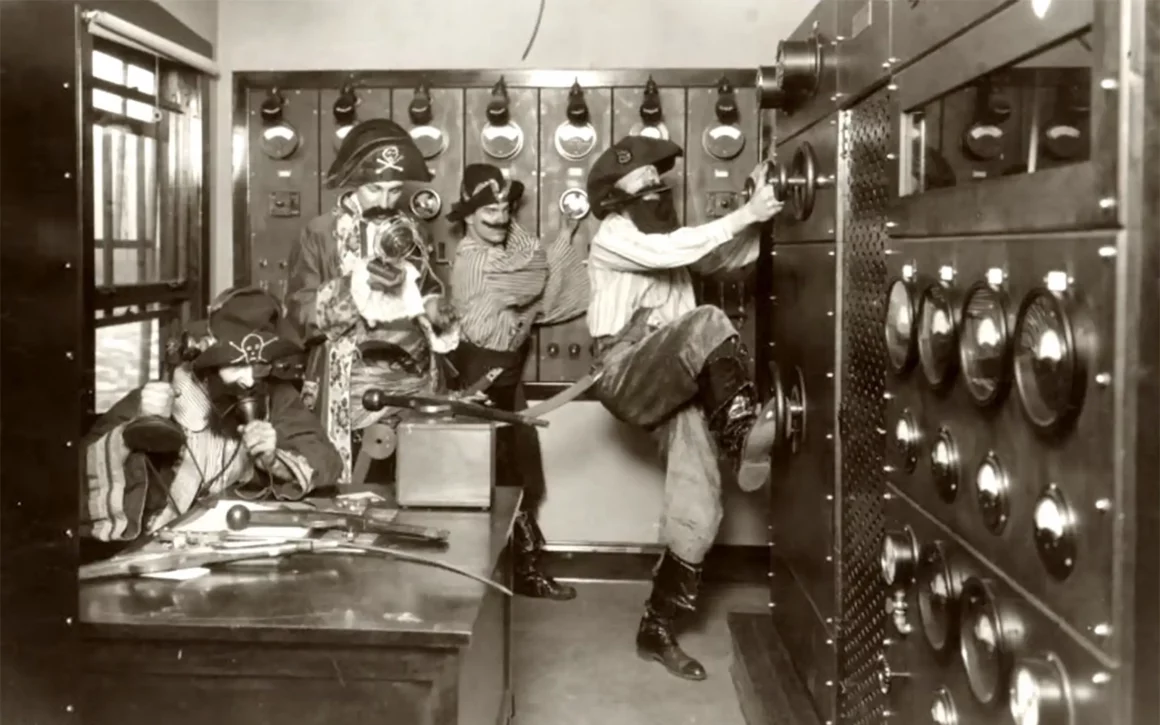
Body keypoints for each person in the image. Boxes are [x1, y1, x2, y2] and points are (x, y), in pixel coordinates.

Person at [584, 136, 785, 681]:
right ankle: (742, 437)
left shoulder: (670, 242)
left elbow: (726, 255)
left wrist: (761, 205)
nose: (657, 185)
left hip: (677, 378)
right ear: (615, 196)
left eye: (659, 179)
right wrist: (746, 212)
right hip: (626, 371)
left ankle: (657, 628)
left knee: (699, 504)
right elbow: (676, 251)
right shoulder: (613, 236)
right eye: (644, 180)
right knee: (708, 321)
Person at [81, 286, 343, 543]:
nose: (249, 380)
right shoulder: (160, 397)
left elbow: (327, 460)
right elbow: (82, 472)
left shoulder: (274, 395)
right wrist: (139, 428)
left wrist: (274, 462)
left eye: (259, 365)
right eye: (237, 365)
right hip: (158, 542)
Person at [284, 119, 462, 482]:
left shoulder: (413, 230)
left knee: (417, 483)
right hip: (350, 387)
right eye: (374, 189)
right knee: (357, 484)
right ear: (353, 182)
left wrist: (435, 309)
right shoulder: (321, 233)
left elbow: (427, 288)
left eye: (394, 191)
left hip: (414, 382)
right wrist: (355, 288)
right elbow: (299, 315)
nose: (383, 202)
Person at [448, 163, 590, 600]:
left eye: (506, 208)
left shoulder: (500, 257)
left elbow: (540, 294)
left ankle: (518, 572)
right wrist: (558, 238)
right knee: (498, 477)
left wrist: (564, 236)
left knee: (516, 473)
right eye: (488, 209)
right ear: (467, 216)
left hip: (502, 379)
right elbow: (535, 274)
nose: (501, 218)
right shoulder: (480, 260)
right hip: (483, 379)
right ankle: (511, 575)